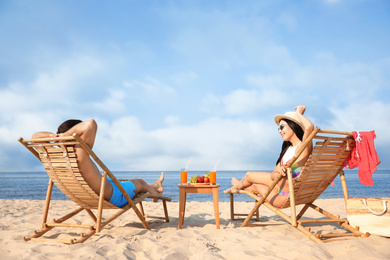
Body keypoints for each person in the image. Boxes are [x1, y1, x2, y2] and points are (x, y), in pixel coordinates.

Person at [32, 119, 165, 207]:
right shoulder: (80, 153)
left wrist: (54, 137)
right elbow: (90, 124)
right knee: (140, 182)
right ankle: (155, 192)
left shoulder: (53, 156)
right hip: (113, 196)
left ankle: (154, 186)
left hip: (91, 194)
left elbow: (34, 137)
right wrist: (66, 135)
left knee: (128, 182)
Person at [225, 105, 314, 208]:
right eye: (278, 128)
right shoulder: (288, 151)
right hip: (281, 187)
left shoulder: (302, 148)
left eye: (282, 127)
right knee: (252, 180)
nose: (279, 131)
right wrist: (279, 172)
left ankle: (238, 186)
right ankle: (240, 186)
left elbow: (309, 127)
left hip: (283, 198)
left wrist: (298, 114)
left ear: (293, 125)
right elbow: (273, 175)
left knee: (253, 180)